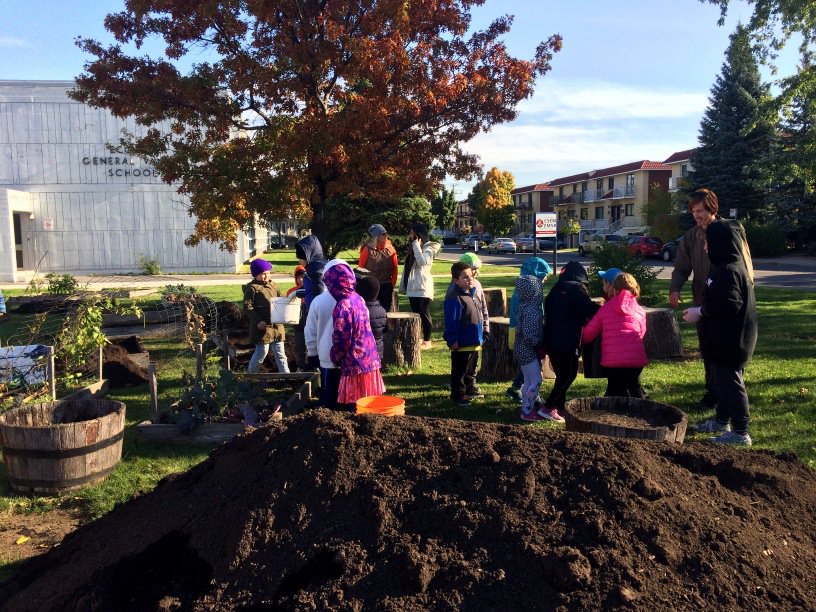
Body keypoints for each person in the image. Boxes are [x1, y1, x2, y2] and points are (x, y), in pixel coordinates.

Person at [669, 188, 754, 412]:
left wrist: (747, 289)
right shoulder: (691, 236)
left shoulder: (728, 230)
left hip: (727, 298)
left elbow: (744, 262)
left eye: (701, 211)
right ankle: (713, 392)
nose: (697, 215)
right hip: (703, 298)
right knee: (708, 348)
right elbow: (681, 267)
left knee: (728, 350)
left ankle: (731, 397)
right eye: (694, 211)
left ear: (712, 209)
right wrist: (675, 289)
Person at [683, 219, 757, 446]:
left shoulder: (729, 270)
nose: (705, 246)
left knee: (731, 384)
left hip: (732, 341)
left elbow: (729, 305)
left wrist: (701, 311)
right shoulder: (723, 267)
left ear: (721, 243)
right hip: (722, 340)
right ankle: (721, 421)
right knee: (721, 382)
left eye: (708, 242)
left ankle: (741, 432)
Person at [540, 261, 600, 422]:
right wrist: (602, 309)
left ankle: (560, 406)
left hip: (552, 339)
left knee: (562, 374)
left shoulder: (555, 289)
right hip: (568, 340)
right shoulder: (576, 288)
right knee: (569, 374)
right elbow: (587, 309)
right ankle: (549, 407)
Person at [325, 262, 385, 411]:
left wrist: (335, 356)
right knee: (369, 403)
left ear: (336, 284)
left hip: (355, 364)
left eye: (329, 285)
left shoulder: (343, 306)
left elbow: (342, 339)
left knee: (355, 405)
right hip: (370, 358)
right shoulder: (357, 298)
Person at [582, 272, 648, 398]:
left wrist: (581, 340)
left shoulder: (606, 309)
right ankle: (643, 413)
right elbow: (641, 332)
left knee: (614, 390)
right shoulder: (639, 310)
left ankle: (610, 414)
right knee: (636, 389)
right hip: (635, 357)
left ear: (614, 288)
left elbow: (590, 332)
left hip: (613, 360)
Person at [505, 257, 552, 402]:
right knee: (532, 364)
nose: (545, 279)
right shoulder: (529, 292)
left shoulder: (524, 288)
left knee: (529, 365)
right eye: (543, 275)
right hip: (526, 335)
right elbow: (528, 319)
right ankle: (522, 391)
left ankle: (525, 391)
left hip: (521, 332)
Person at [305, 259, 346, 409]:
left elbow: (310, 330)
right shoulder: (357, 300)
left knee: (329, 393)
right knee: (348, 395)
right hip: (351, 358)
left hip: (327, 356)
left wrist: (312, 352)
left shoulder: (319, 301)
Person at [443, 262, 484, 407]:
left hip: (473, 339)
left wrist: (483, 332)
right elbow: (451, 321)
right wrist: (452, 339)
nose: (470, 279)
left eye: (471, 275)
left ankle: (468, 389)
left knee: (470, 368)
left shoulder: (471, 293)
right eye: (465, 277)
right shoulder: (454, 298)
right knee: (460, 370)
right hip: (461, 342)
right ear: (456, 280)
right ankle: (458, 394)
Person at [243, 258, 289, 374]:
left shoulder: (273, 285)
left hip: (277, 325)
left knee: (280, 353)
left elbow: (280, 299)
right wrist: (258, 321)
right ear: (255, 274)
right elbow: (247, 307)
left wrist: (288, 303)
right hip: (262, 327)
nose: (266, 276)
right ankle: (251, 374)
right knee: (262, 352)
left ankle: (287, 376)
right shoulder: (252, 289)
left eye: (268, 273)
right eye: (262, 274)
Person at [400, 222, 441, 349]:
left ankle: (428, 341)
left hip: (423, 286)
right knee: (416, 314)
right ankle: (418, 337)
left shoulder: (429, 247)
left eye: (412, 232)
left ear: (419, 234)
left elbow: (422, 262)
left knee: (424, 312)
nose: (410, 235)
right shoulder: (413, 246)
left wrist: (416, 246)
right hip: (412, 287)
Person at [514, 274, 548, 421]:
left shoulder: (524, 306)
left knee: (528, 380)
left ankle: (526, 407)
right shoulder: (532, 311)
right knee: (536, 380)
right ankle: (528, 411)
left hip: (520, 349)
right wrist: (538, 343)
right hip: (527, 350)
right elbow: (529, 335)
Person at [458, 252, 489, 398]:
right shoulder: (457, 288)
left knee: (474, 359)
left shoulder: (478, 285)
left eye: (477, 269)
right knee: (462, 361)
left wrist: (486, 327)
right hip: (464, 331)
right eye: (473, 269)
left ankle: (470, 384)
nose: (476, 272)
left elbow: (483, 308)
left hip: (477, 329)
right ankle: (461, 386)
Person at [359, 224, 399, 312]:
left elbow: (395, 268)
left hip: (386, 286)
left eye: (386, 233)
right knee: (370, 312)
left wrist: (392, 285)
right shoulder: (367, 250)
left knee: (386, 312)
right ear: (376, 237)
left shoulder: (390, 249)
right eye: (383, 234)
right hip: (371, 288)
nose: (386, 235)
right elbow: (360, 269)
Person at [295, 234, 327, 320]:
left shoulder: (315, 269)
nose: (300, 262)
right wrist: (303, 290)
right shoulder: (316, 266)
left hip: (317, 315)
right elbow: (313, 287)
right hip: (315, 312)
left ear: (307, 256)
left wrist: (315, 316)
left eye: (301, 258)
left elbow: (320, 293)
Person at [357, 275, 387, 362]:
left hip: (363, 353)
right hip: (377, 352)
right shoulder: (382, 310)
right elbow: (384, 329)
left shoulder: (360, 310)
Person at [286, 265, 307, 371]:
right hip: (298, 323)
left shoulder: (312, 290)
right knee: (299, 346)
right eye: (298, 277)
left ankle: (313, 366)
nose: (301, 279)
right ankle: (300, 366)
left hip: (310, 322)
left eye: (303, 276)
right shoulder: (291, 291)